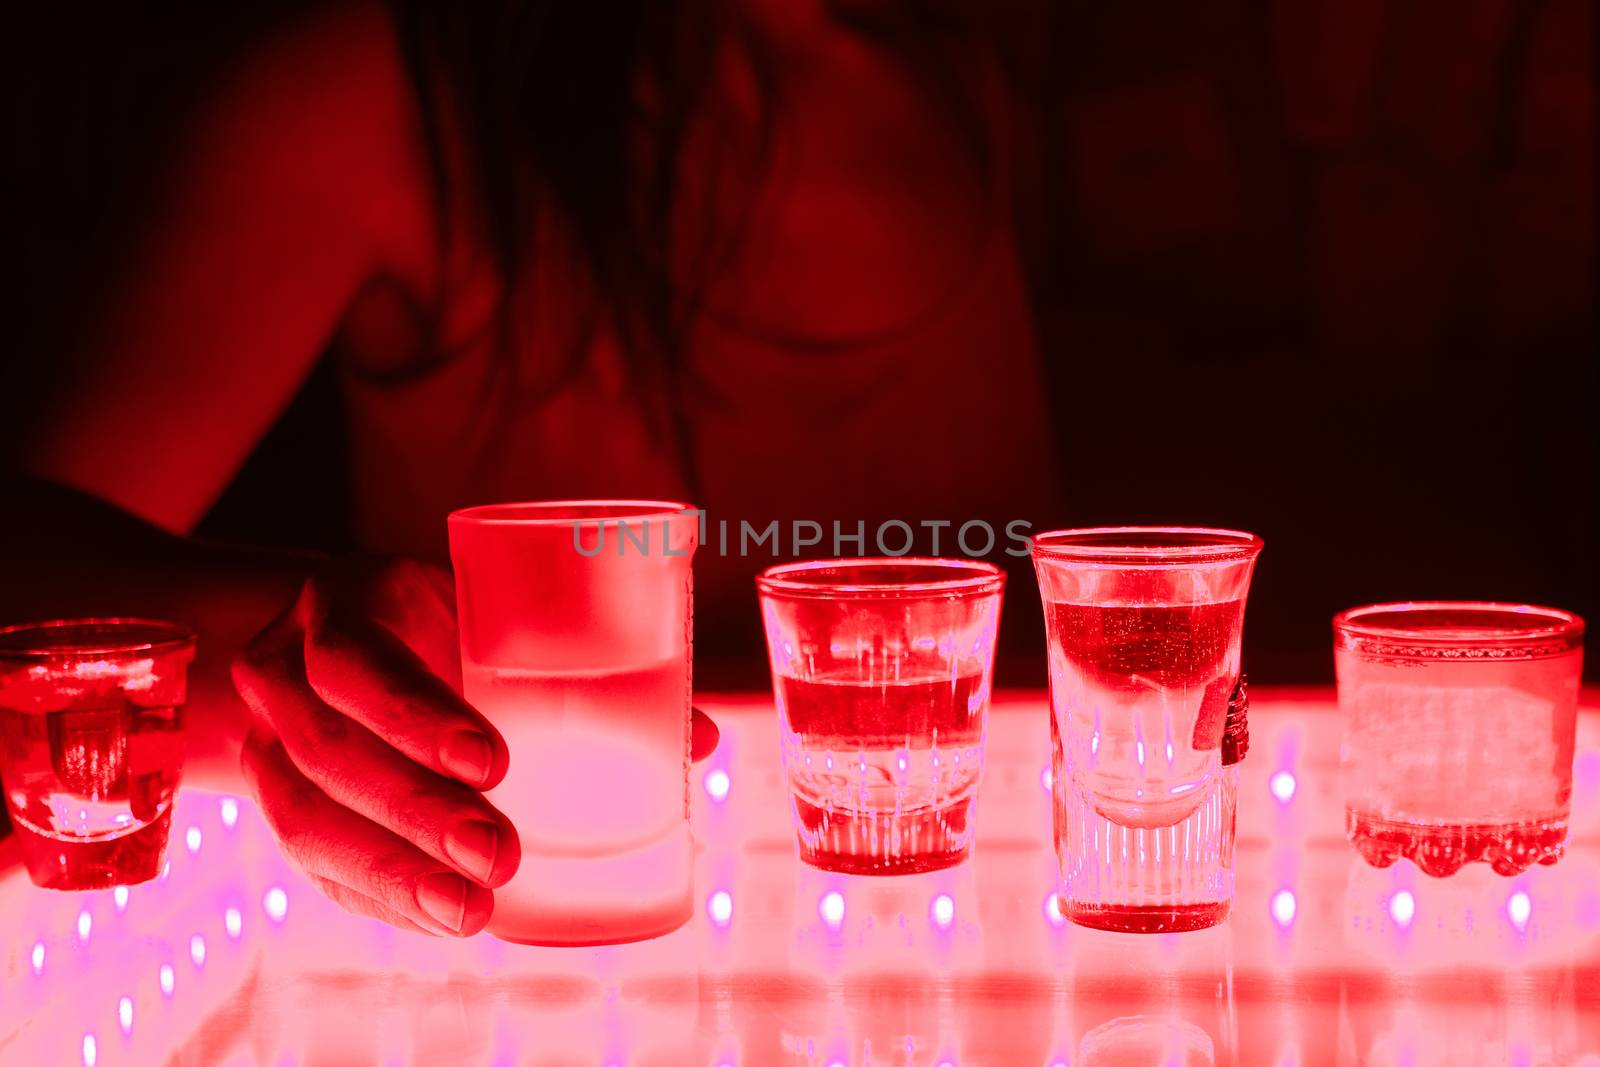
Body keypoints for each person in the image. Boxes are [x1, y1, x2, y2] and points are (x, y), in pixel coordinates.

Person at [2, 1, 1063, 936]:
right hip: (544, 979)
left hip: (987, 956)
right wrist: (292, 643)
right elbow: (27, 561)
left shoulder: (968, 67)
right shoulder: (374, 99)